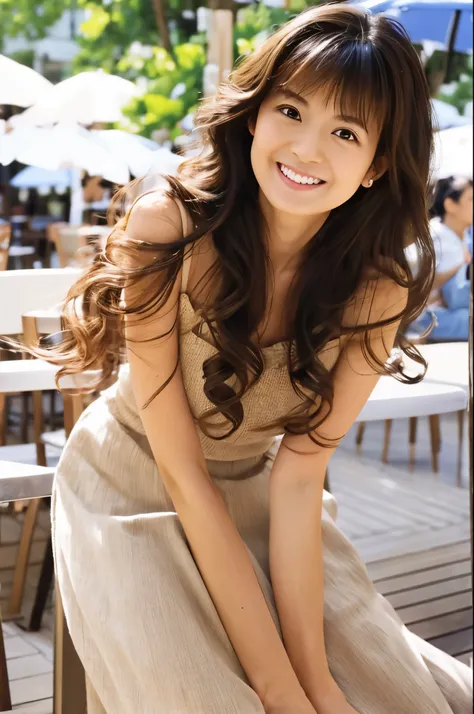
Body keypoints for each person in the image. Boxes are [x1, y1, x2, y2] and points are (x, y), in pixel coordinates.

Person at [26, 5, 471, 713]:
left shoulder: (375, 286)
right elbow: (178, 466)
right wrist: (278, 687)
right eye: (290, 109)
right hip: (132, 481)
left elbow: (298, 482)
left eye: (345, 131)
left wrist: (315, 682)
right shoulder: (167, 228)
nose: (305, 148)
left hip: (266, 498)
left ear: (376, 165)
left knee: (393, 696)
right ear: (255, 113)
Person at [408, 176, 472, 341]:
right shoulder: (436, 236)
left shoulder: (463, 235)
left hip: (448, 309)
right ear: (450, 204)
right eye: (471, 199)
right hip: (424, 316)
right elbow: (449, 294)